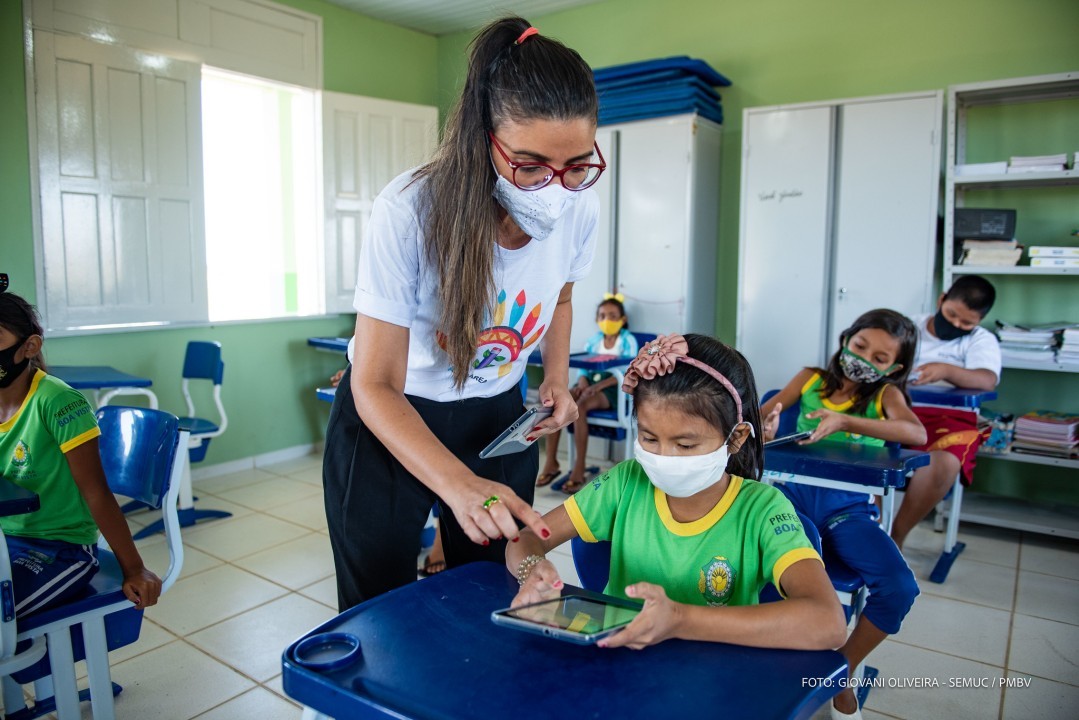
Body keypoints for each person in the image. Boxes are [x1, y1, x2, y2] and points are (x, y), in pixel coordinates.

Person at [322, 16, 607, 610]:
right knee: (378, 606)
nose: (555, 188)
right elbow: (374, 383)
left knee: (489, 589)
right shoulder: (410, 210)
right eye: (529, 166)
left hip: (494, 419)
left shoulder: (581, 210)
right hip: (392, 420)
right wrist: (455, 482)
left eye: (577, 164)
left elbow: (560, 298)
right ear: (484, 139)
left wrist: (554, 378)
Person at [507, 334, 846, 654]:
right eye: (649, 438)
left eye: (685, 444)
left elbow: (827, 622)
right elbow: (525, 539)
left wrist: (679, 621)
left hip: (714, 673)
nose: (663, 457)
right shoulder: (626, 482)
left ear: (736, 438)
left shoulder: (762, 509)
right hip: (619, 663)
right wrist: (532, 567)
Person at [761, 309, 927, 720]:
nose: (866, 357)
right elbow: (768, 412)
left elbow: (917, 435)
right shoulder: (811, 378)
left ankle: (842, 667)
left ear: (896, 368)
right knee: (778, 569)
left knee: (899, 587)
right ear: (845, 340)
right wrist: (767, 422)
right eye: (859, 346)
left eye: (881, 357)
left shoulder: (885, 397)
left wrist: (846, 422)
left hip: (848, 513)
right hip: (790, 505)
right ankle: (779, 658)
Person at [0, 290, 161, 618]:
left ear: (29, 347)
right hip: (5, 539)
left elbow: (96, 492)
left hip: (59, 548)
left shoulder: (58, 402)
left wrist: (135, 568)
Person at [890, 276, 1000, 551]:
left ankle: (896, 536)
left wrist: (947, 370)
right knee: (867, 446)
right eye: (951, 315)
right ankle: (874, 530)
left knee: (945, 463)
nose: (956, 325)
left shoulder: (980, 340)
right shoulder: (908, 326)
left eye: (966, 323)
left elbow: (987, 379)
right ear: (941, 300)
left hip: (950, 420)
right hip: (898, 411)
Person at [537, 293, 638, 493]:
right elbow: (584, 369)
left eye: (612, 315)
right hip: (591, 384)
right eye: (603, 315)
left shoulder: (629, 341)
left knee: (580, 407)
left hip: (614, 388)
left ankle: (579, 467)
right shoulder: (593, 341)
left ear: (622, 319)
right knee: (555, 403)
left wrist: (596, 387)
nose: (607, 320)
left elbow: (629, 371)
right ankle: (551, 461)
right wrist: (583, 382)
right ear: (597, 319)